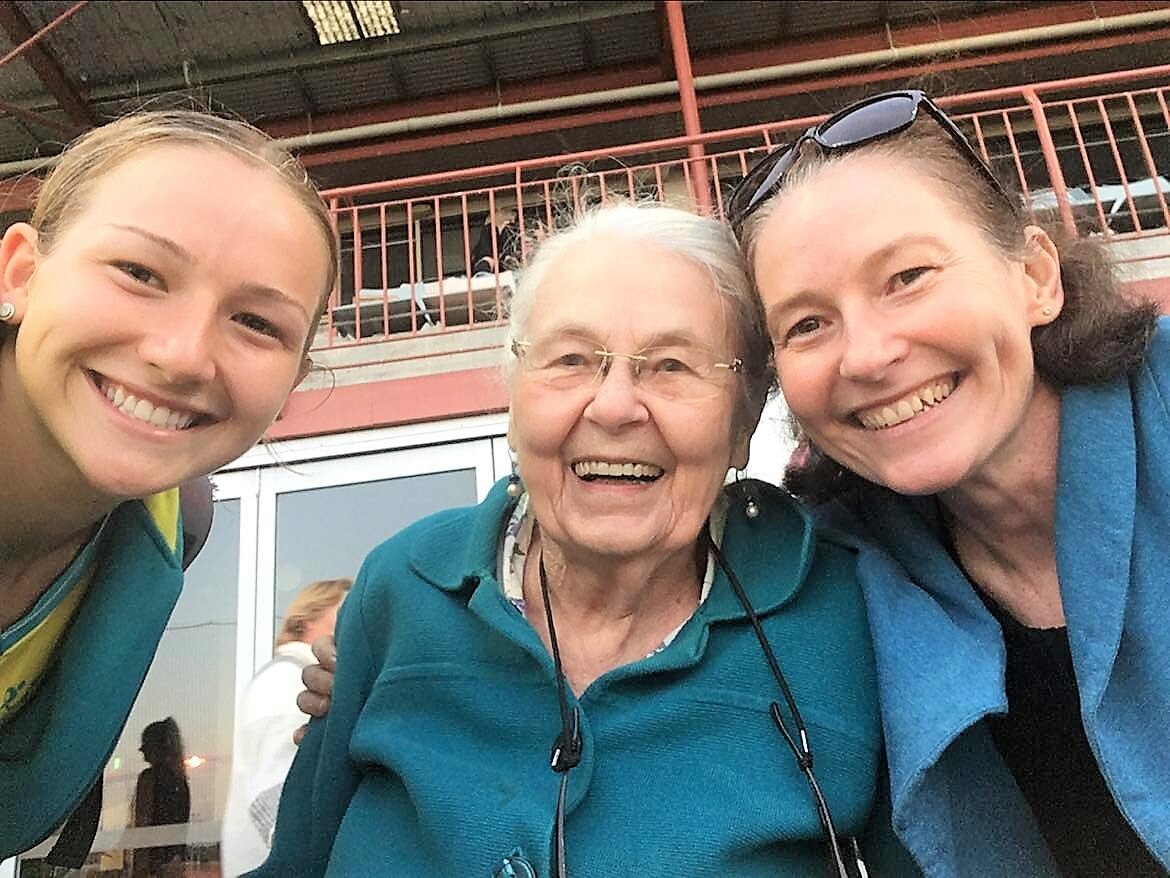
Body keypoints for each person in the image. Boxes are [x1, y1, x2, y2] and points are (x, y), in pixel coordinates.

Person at [250, 202, 914, 877]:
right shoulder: (403, 587)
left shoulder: (845, 606)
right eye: (570, 359)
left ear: (744, 422)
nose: (615, 406)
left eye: (673, 366)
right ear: (514, 401)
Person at [728, 90, 1169, 875]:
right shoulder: (831, 572)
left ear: (1035, 276)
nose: (864, 356)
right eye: (806, 324)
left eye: (907, 276)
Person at [0, 109, 338, 862]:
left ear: (292, 385)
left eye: (255, 322)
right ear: (19, 271)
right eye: (139, 273)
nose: (184, 356)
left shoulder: (176, 522)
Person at [221, 578, 351, 877]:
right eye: (343, 612)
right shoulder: (286, 680)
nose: (353, 621)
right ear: (305, 622)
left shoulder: (298, 679)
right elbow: (274, 792)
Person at [131, 717, 191, 878]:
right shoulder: (180, 780)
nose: (143, 755)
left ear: (154, 748)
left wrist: (139, 867)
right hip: (174, 864)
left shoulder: (149, 778)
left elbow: (143, 824)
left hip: (153, 866)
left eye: (145, 749)